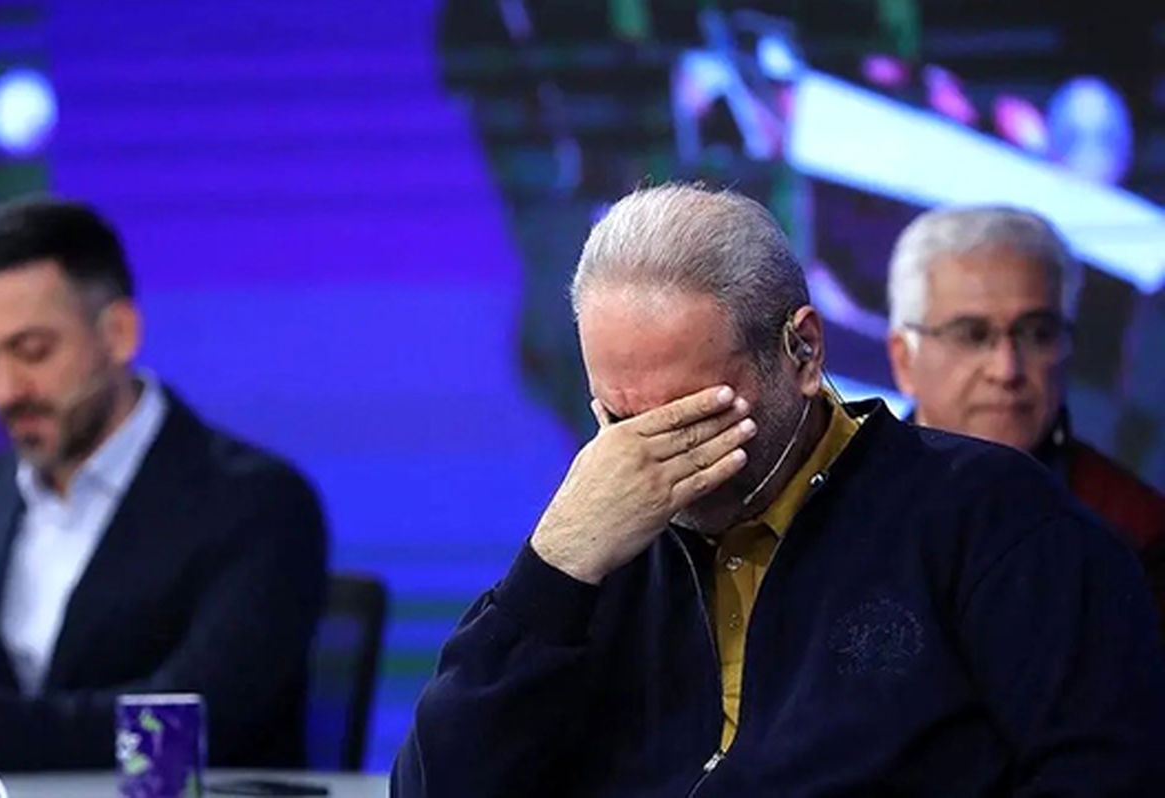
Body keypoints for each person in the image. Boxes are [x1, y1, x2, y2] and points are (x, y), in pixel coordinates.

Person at [392, 184, 1165, 796]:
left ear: (803, 351)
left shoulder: (995, 518)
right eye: (620, 421)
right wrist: (553, 567)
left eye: (692, 416)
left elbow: (1106, 774)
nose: (651, 458)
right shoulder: (597, 548)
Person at [0, 196, 328, 770]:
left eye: (33, 351)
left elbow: (206, 717)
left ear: (119, 333)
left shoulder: (259, 504)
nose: (6, 390)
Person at [885, 205, 1165, 627]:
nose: (1007, 369)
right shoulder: (832, 510)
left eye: (1037, 334)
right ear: (904, 360)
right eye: (972, 335)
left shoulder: (1135, 530)